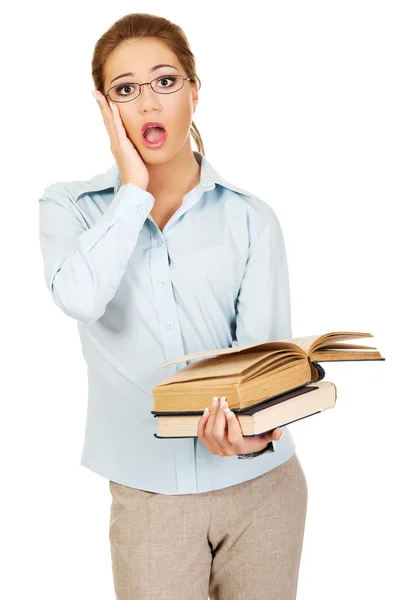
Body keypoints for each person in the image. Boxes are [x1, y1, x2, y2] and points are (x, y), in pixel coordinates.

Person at [38, 12, 308, 600]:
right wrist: (132, 191)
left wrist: (253, 433)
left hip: (261, 491)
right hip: (148, 500)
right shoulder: (72, 208)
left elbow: (264, 366)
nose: (148, 103)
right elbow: (80, 298)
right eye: (125, 90)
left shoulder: (251, 219)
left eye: (165, 81)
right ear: (106, 109)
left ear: (193, 90)